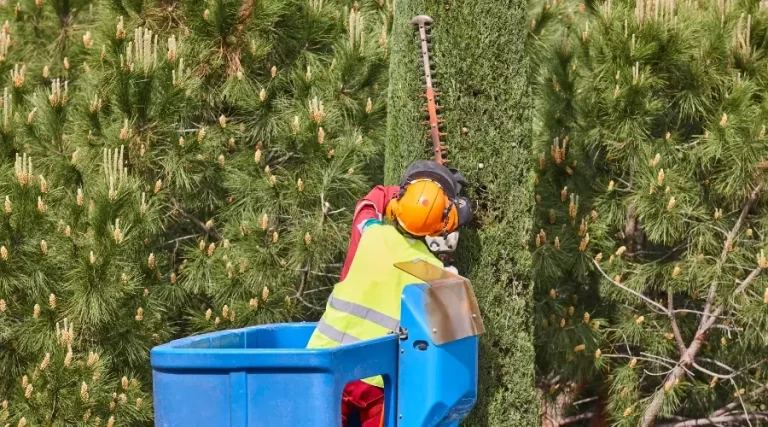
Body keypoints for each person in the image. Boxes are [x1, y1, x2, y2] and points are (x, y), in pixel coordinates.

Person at [305, 160, 472, 427]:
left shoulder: (370, 234)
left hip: (326, 365)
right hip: (378, 381)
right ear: (447, 223)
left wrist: (413, 191)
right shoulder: (437, 273)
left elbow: (368, 204)